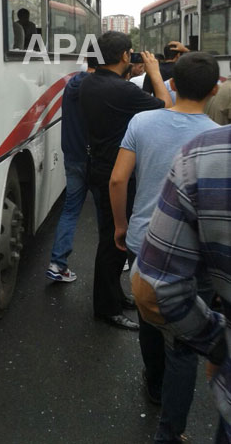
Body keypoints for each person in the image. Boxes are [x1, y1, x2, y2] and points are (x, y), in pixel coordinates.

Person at [110, 52, 219, 442]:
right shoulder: (214, 135)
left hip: (145, 240)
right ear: (214, 89)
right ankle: (172, 426)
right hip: (196, 252)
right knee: (186, 340)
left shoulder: (141, 122)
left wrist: (121, 227)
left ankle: (153, 383)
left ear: (172, 84)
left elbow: (119, 180)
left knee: (150, 318)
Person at [131, 124, 231, 444]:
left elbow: (154, 290)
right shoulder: (209, 130)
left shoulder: (206, 152)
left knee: (174, 338)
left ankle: (166, 420)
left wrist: (218, 343)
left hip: (167, 240)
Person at [79, 31, 172, 330]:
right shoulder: (121, 91)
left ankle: (115, 297)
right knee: (112, 241)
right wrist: (155, 72)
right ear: (123, 56)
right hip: (115, 171)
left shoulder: (90, 82)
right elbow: (167, 108)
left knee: (111, 238)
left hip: (99, 165)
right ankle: (106, 308)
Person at [46, 57, 100, 282]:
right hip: (95, 158)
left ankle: (57, 264)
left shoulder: (71, 85)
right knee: (105, 212)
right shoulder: (99, 88)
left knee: (70, 210)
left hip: (73, 156)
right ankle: (119, 258)